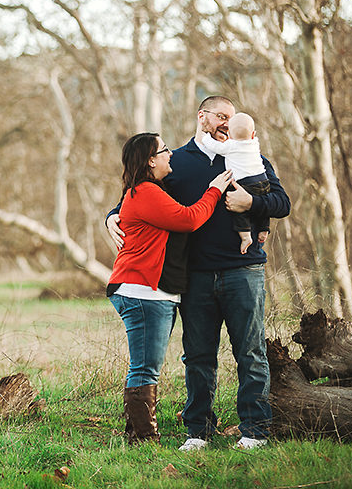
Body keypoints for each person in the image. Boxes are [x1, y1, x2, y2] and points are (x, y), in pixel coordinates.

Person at [106, 96, 291, 451]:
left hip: (243, 270)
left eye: (232, 118)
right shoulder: (175, 162)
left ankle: (254, 431)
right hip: (196, 277)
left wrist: (251, 203)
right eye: (221, 116)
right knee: (198, 356)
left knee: (250, 353)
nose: (227, 123)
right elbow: (137, 197)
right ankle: (198, 432)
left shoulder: (248, 154)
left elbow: (281, 203)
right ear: (202, 116)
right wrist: (111, 217)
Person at [107, 133, 233, 445]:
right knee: (146, 369)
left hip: (150, 290)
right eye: (164, 151)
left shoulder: (147, 191)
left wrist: (111, 216)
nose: (170, 155)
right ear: (150, 160)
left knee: (145, 366)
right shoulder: (147, 192)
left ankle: (137, 434)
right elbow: (189, 219)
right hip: (143, 290)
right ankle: (144, 439)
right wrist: (215, 190)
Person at [199, 112, 271, 254]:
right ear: (253, 134)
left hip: (245, 183)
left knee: (239, 209)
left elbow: (215, 147)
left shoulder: (231, 145)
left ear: (230, 135)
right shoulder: (254, 143)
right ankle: (264, 229)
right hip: (263, 179)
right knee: (263, 206)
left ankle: (245, 236)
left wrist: (205, 137)